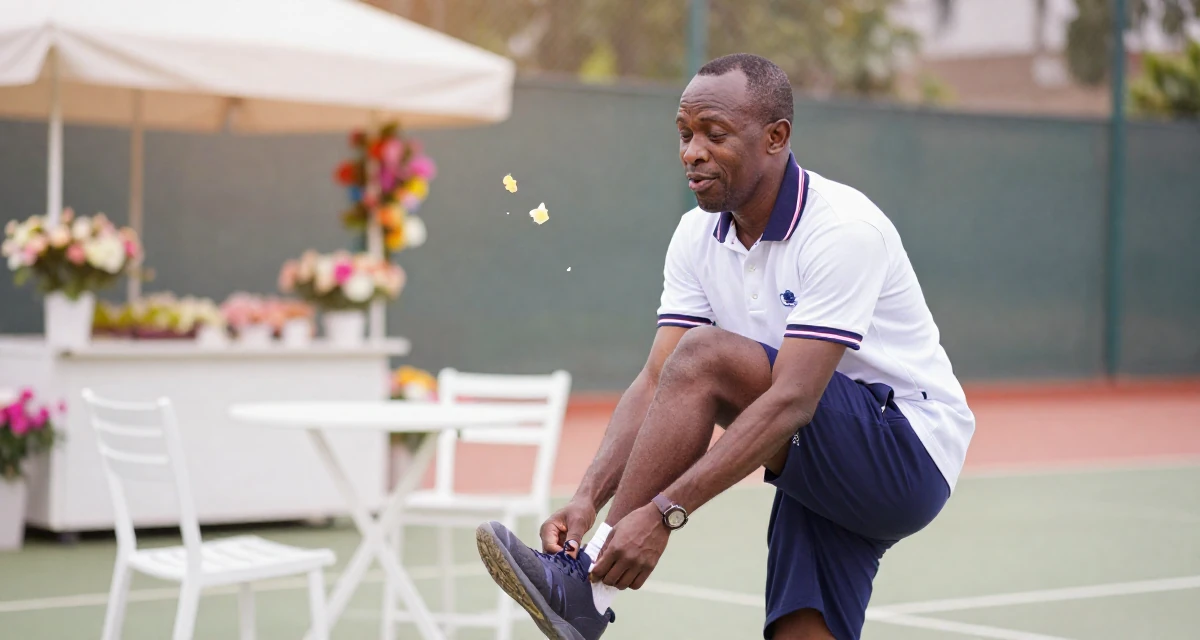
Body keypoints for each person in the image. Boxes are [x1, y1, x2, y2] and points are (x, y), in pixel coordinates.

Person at [475, 53, 975, 640]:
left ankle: (585, 589)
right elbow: (658, 380)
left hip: (902, 449)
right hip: (813, 454)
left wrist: (664, 513)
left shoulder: (842, 229)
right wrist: (587, 499)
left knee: (706, 355)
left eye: (715, 134)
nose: (692, 151)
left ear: (775, 137)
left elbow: (790, 400)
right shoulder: (695, 235)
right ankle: (584, 584)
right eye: (685, 134)